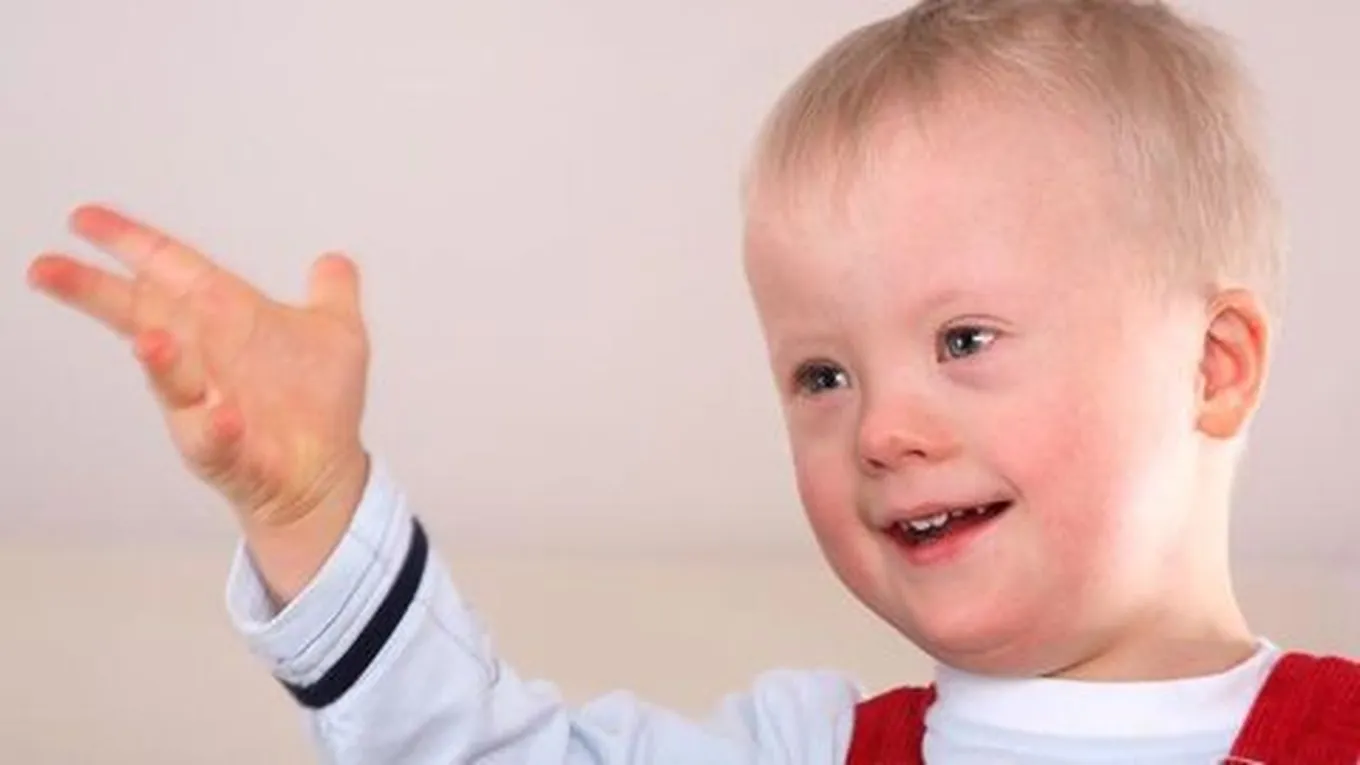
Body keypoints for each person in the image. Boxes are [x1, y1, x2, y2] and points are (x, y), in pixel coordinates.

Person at [27, 1, 1360, 763]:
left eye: (965, 341)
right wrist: (311, 506)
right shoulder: (808, 749)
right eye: (822, 374)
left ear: (1212, 366)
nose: (883, 428)